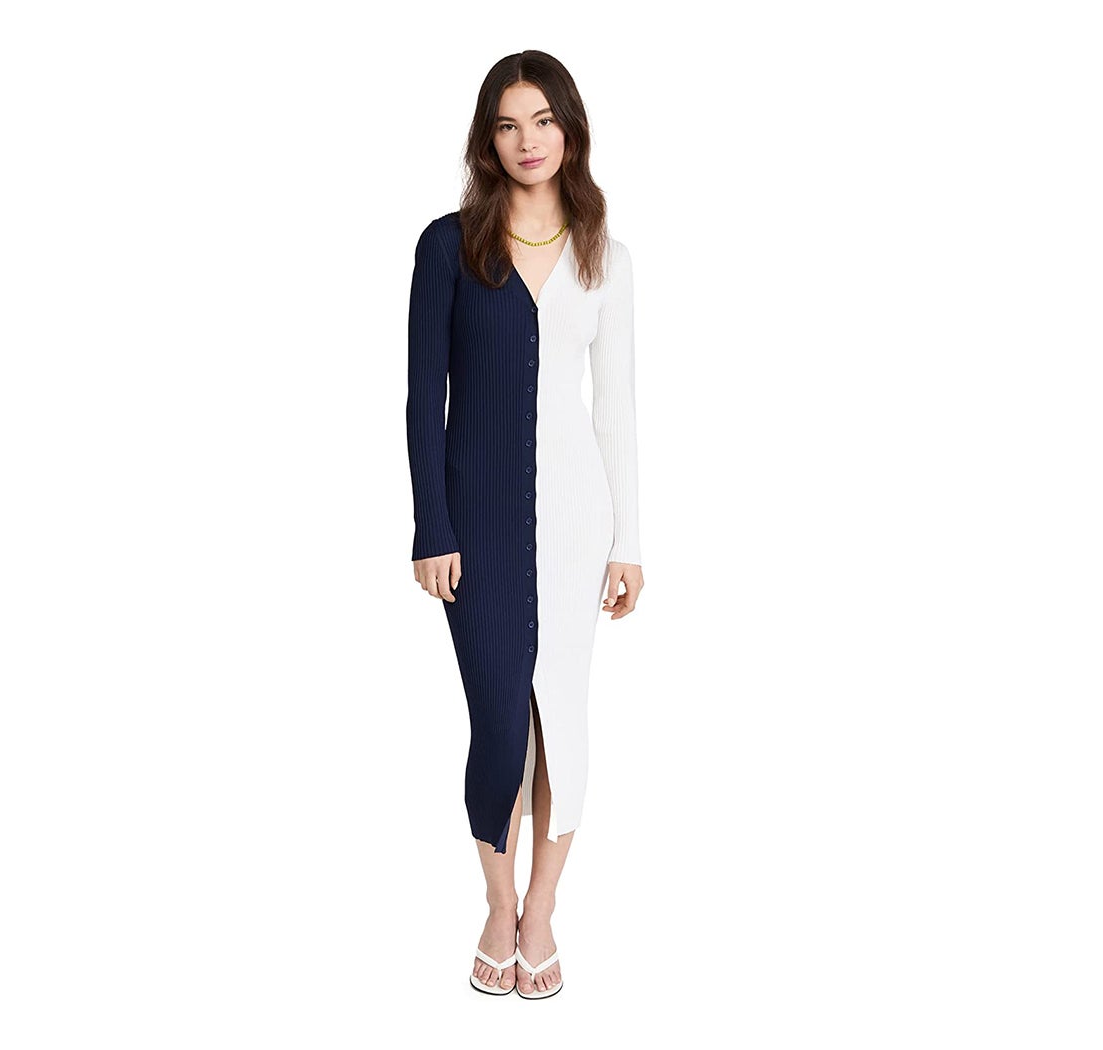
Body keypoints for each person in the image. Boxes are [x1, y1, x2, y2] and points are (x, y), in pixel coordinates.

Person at [405, 50, 644, 1001]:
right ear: (487, 140)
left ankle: (539, 910)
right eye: (508, 125)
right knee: (501, 718)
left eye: (542, 120)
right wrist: (432, 527)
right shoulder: (448, 245)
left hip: (579, 522)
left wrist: (629, 543)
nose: (528, 141)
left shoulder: (605, 256)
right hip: (478, 523)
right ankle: (495, 900)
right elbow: (424, 401)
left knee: (562, 720)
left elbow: (615, 412)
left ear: (570, 129)